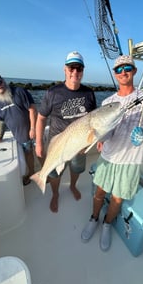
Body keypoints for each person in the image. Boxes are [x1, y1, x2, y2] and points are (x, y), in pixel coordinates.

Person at [81, 54, 143, 251]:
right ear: (115, 74)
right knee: (99, 192)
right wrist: (99, 139)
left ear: (134, 71)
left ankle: (106, 224)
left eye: (127, 68)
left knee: (118, 198)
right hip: (108, 156)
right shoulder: (108, 102)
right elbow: (106, 133)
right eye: (119, 69)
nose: (123, 72)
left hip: (130, 160)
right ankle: (94, 218)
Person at [35, 51, 97, 213]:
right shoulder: (53, 92)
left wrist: (89, 141)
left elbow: (93, 121)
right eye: (71, 68)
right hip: (58, 143)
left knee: (76, 169)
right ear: (65, 69)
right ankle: (55, 194)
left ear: (83, 70)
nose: (75, 72)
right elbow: (41, 118)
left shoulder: (89, 93)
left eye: (79, 68)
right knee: (54, 173)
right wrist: (39, 143)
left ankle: (73, 186)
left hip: (79, 144)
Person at [0, 72, 37, 186]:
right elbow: (0, 121)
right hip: (19, 135)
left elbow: (32, 109)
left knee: (39, 152)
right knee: (27, 153)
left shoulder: (19, 92)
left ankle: (46, 174)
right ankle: (31, 173)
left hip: (33, 130)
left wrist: (33, 128)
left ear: (3, 80)